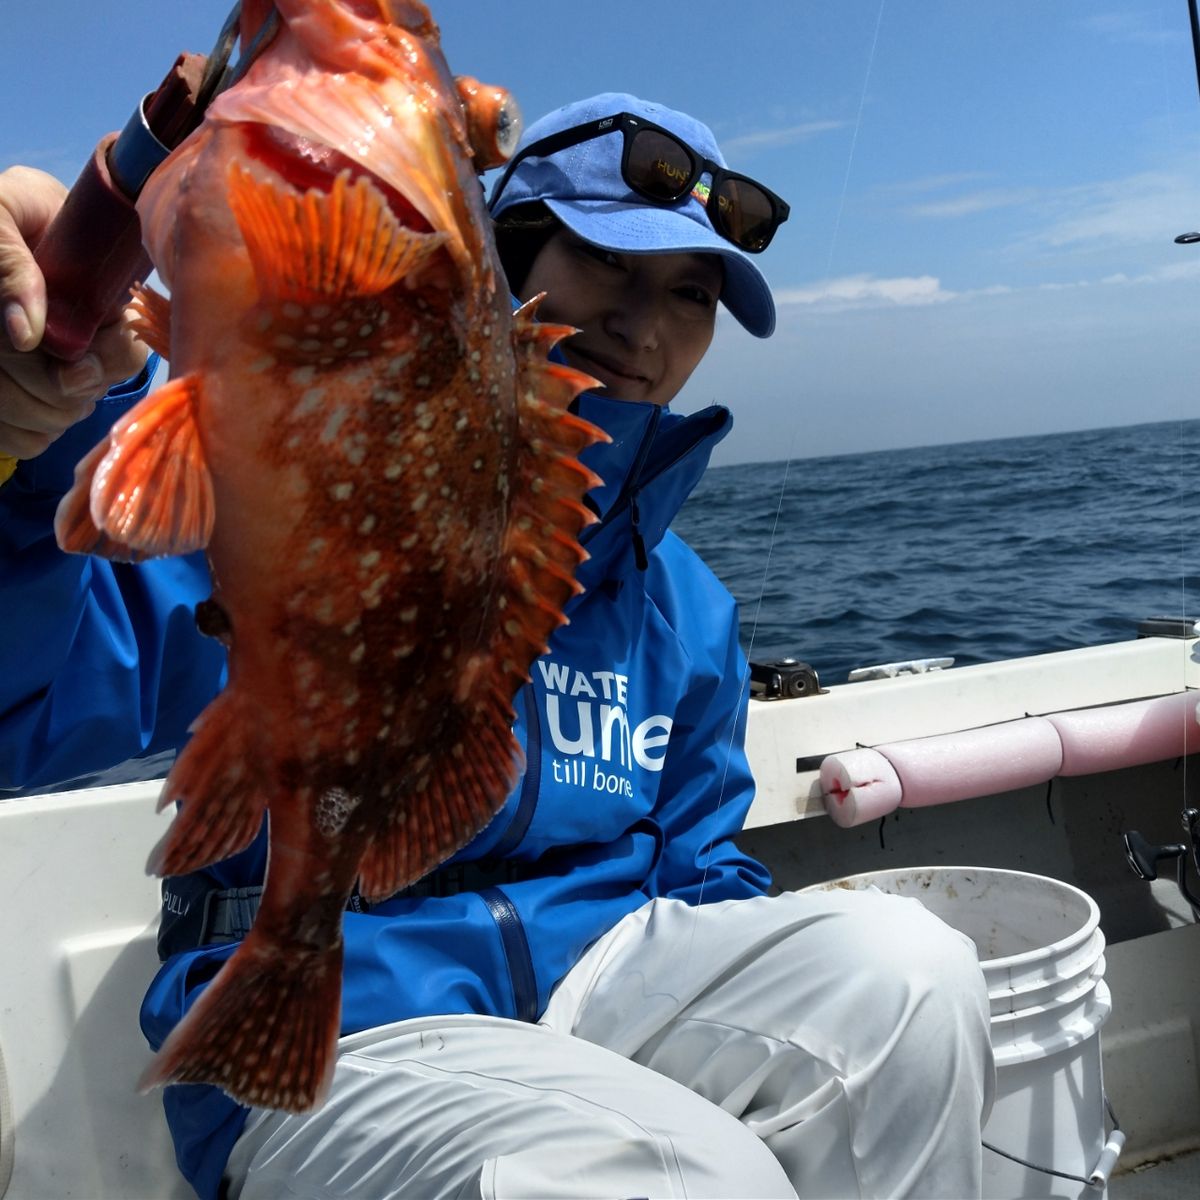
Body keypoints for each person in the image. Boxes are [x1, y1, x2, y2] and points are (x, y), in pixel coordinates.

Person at [0, 92, 994, 1199]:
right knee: (685, 1177)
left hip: (599, 986)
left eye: (690, 294)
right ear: (500, 258)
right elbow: (22, 708)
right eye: (611, 265)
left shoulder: (689, 610)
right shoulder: (299, 499)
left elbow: (703, 870)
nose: (645, 326)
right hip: (350, 1016)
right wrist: (43, 452)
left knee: (912, 972)